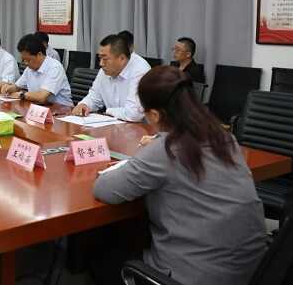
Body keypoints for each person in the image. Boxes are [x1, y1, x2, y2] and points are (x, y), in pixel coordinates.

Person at [92, 66, 266, 285]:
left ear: (154, 115)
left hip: (195, 276)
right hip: (253, 270)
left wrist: (154, 149)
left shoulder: (164, 150)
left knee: (102, 257)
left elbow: (104, 189)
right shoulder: (224, 138)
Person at [72, 34, 150, 121]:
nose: (101, 63)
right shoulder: (104, 70)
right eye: (100, 58)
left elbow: (133, 114)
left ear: (122, 58)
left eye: (105, 59)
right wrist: (84, 105)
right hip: (114, 123)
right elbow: (94, 97)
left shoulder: (140, 70)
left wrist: (108, 111)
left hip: (140, 126)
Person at [1, 34, 73, 107]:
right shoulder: (29, 69)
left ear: (39, 54)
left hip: (62, 110)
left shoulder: (55, 67)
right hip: (39, 107)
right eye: (23, 60)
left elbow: (42, 97)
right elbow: (17, 86)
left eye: (28, 60)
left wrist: (22, 95)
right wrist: (9, 88)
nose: (25, 63)